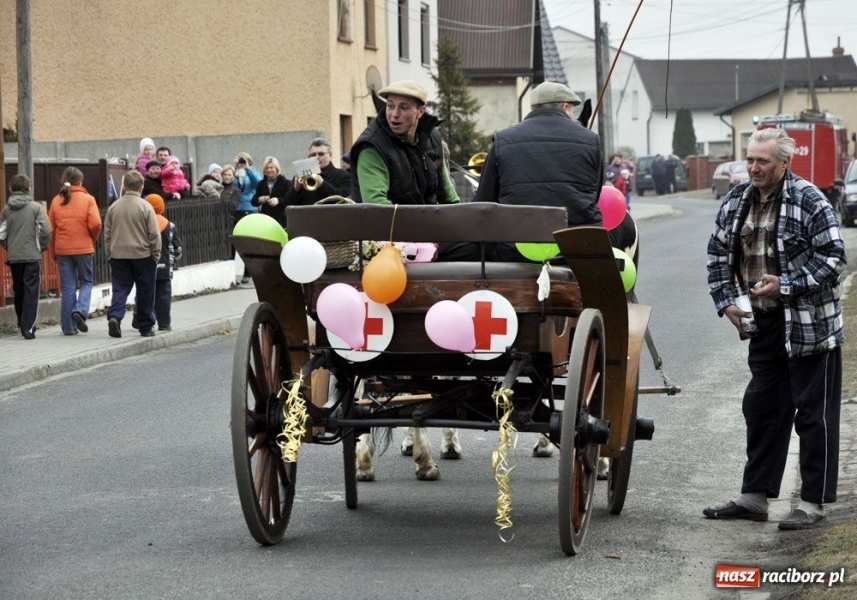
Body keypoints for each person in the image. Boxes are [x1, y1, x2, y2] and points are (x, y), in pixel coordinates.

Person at [704, 128, 846, 530]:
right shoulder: (736, 200)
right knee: (761, 408)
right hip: (763, 324)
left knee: (813, 416)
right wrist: (726, 300)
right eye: (750, 159)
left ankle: (813, 503)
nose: (753, 167)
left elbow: (835, 259)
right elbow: (717, 254)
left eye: (762, 161)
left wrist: (785, 285)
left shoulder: (809, 199)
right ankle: (755, 497)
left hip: (809, 326)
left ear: (785, 163)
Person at [444, 80, 602, 261]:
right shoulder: (591, 140)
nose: (574, 117)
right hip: (578, 249)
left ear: (533, 108)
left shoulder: (503, 139)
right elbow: (593, 194)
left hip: (514, 251)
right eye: (573, 111)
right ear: (565, 107)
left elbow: (484, 202)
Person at [350, 79, 459, 206]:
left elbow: (447, 193)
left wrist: (460, 218)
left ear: (421, 111)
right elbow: (376, 207)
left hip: (426, 222)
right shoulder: (371, 147)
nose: (395, 114)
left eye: (404, 107)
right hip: (386, 224)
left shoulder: (432, 137)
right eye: (390, 106)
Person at [104, 170, 161, 338]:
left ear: (124, 185)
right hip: (143, 255)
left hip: (119, 255)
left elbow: (107, 234)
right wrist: (155, 254)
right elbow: (154, 234)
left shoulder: (114, 207)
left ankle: (115, 316)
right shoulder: (145, 206)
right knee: (145, 291)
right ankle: (145, 326)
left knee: (120, 289)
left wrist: (110, 253)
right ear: (141, 187)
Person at [47, 167, 102, 335]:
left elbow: (51, 229)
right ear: (81, 181)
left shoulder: (56, 200)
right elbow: (96, 224)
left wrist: (53, 251)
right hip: (84, 248)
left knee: (68, 287)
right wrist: (91, 239)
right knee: (86, 282)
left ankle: (69, 328)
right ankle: (80, 310)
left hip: (63, 249)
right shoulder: (88, 199)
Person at [0, 174, 51, 339]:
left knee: (19, 290)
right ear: (29, 189)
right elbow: (45, 231)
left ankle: (22, 322)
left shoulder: (6, 210)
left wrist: (10, 247)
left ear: (10, 189)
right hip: (32, 256)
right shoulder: (35, 208)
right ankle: (28, 327)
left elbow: (1, 234)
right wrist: (40, 248)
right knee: (31, 292)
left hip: (14, 257)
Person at [144, 194, 182, 331]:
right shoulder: (169, 225)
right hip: (165, 267)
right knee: (164, 295)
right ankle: (164, 324)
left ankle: (146, 322)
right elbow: (177, 248)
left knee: (146, 294)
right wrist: (176, 257)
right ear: (162, 207)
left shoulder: (143, 224)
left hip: (146, 266)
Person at [283, 138, 353, 210]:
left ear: (330, 155)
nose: (316, 157)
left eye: (321, 154)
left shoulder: (343, 175)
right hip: (306, 219)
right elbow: (287, 205)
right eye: (313, 154)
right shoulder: (301, 176)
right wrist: (295, 189)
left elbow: (344, 200)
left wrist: (322, 184)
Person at [251, 156, 289, 226]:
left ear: (277, 169)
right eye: (267, 168)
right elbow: (253, 201)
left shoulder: (285, 183)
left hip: (281, 219)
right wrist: (259, 199)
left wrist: (278, 200)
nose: (269, 170)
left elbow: (289, 200)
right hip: (265, 220)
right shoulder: (261, 184)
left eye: (271, 168)